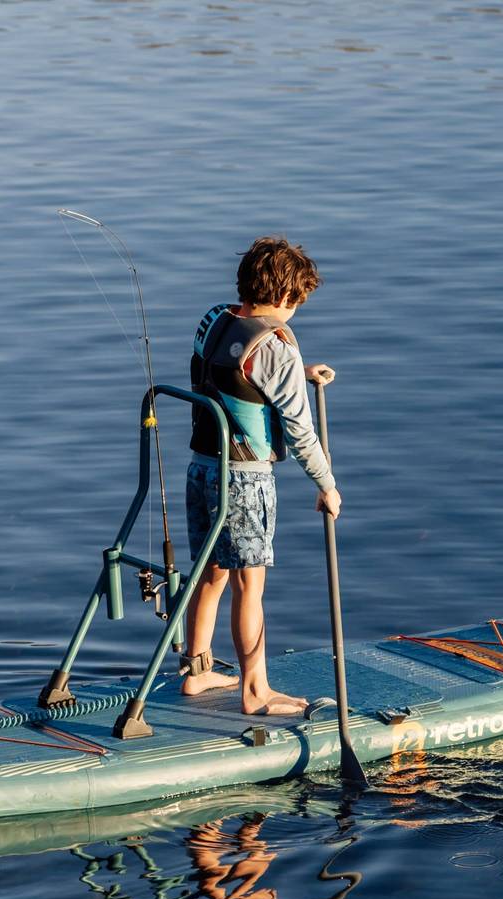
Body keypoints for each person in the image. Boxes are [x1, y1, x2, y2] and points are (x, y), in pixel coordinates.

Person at [182, 237, 342, 717]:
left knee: (211, 574)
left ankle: (197, 671)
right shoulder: (277, 350)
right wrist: (327, 485)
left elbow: (233, 372)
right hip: (245, 480)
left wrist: (298, 372)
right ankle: (255, 691)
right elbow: (300, 433)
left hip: (201, 467)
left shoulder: (214, 318)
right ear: (288, 297)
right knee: (249, 585)